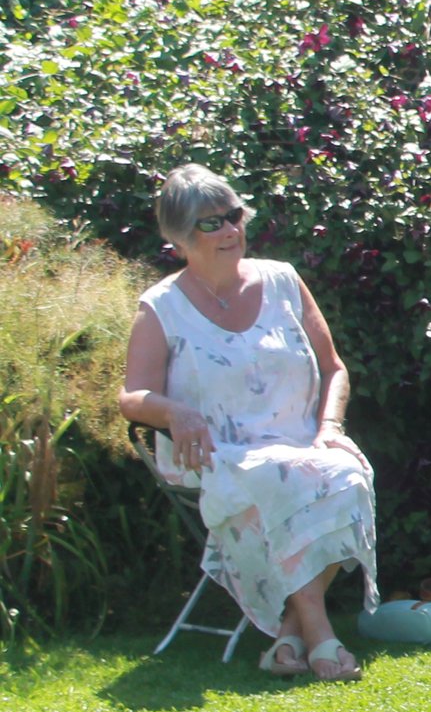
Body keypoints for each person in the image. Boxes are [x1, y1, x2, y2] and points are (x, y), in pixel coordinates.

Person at [120, 165, 377, 681]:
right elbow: (132, 397)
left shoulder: (282, 279)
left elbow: (334, 369)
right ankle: (322, 638)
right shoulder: (161, 307)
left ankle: (289, 633)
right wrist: (176, 411)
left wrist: (329, 427)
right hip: (215, 455)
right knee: (283, 479)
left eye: (233, 216)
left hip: (302, 447)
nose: (230, 231)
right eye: (210, 224)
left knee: (350, 473)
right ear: (179, 239)